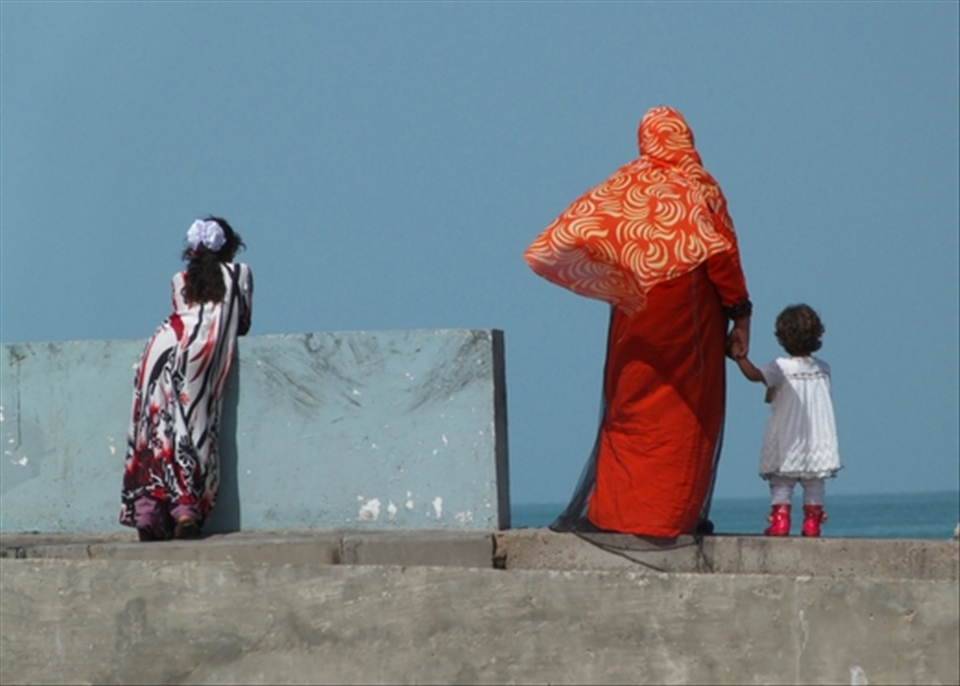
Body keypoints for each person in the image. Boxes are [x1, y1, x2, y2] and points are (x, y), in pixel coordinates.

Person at [525, 106, 752, 538]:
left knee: (631, 407)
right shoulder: (699, 185)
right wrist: (740, 315)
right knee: (683, 414)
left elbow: (582, 231)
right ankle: (671, 516)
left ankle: (616, 514)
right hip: (689, 319)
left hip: (635, 316)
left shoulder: (624, 183)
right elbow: (723, 259)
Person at [120, 217, 253, 541]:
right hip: (199, 359)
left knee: (155, 433)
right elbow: (243, 323)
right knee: (194, 431)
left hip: (159, 350)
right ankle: (184, 513)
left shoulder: (180, 280)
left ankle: (148, 515)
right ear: (230, 247)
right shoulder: (240, 275)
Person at [731, 304, 841, 537]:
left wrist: (740, 358)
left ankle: (780, 522)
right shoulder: (823, 368)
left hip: (787, 434)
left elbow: (754, 376)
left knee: (782, 482)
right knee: (814, 482)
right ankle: (812, 523)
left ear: (782, 337)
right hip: (815, 437)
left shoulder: (780, 367)